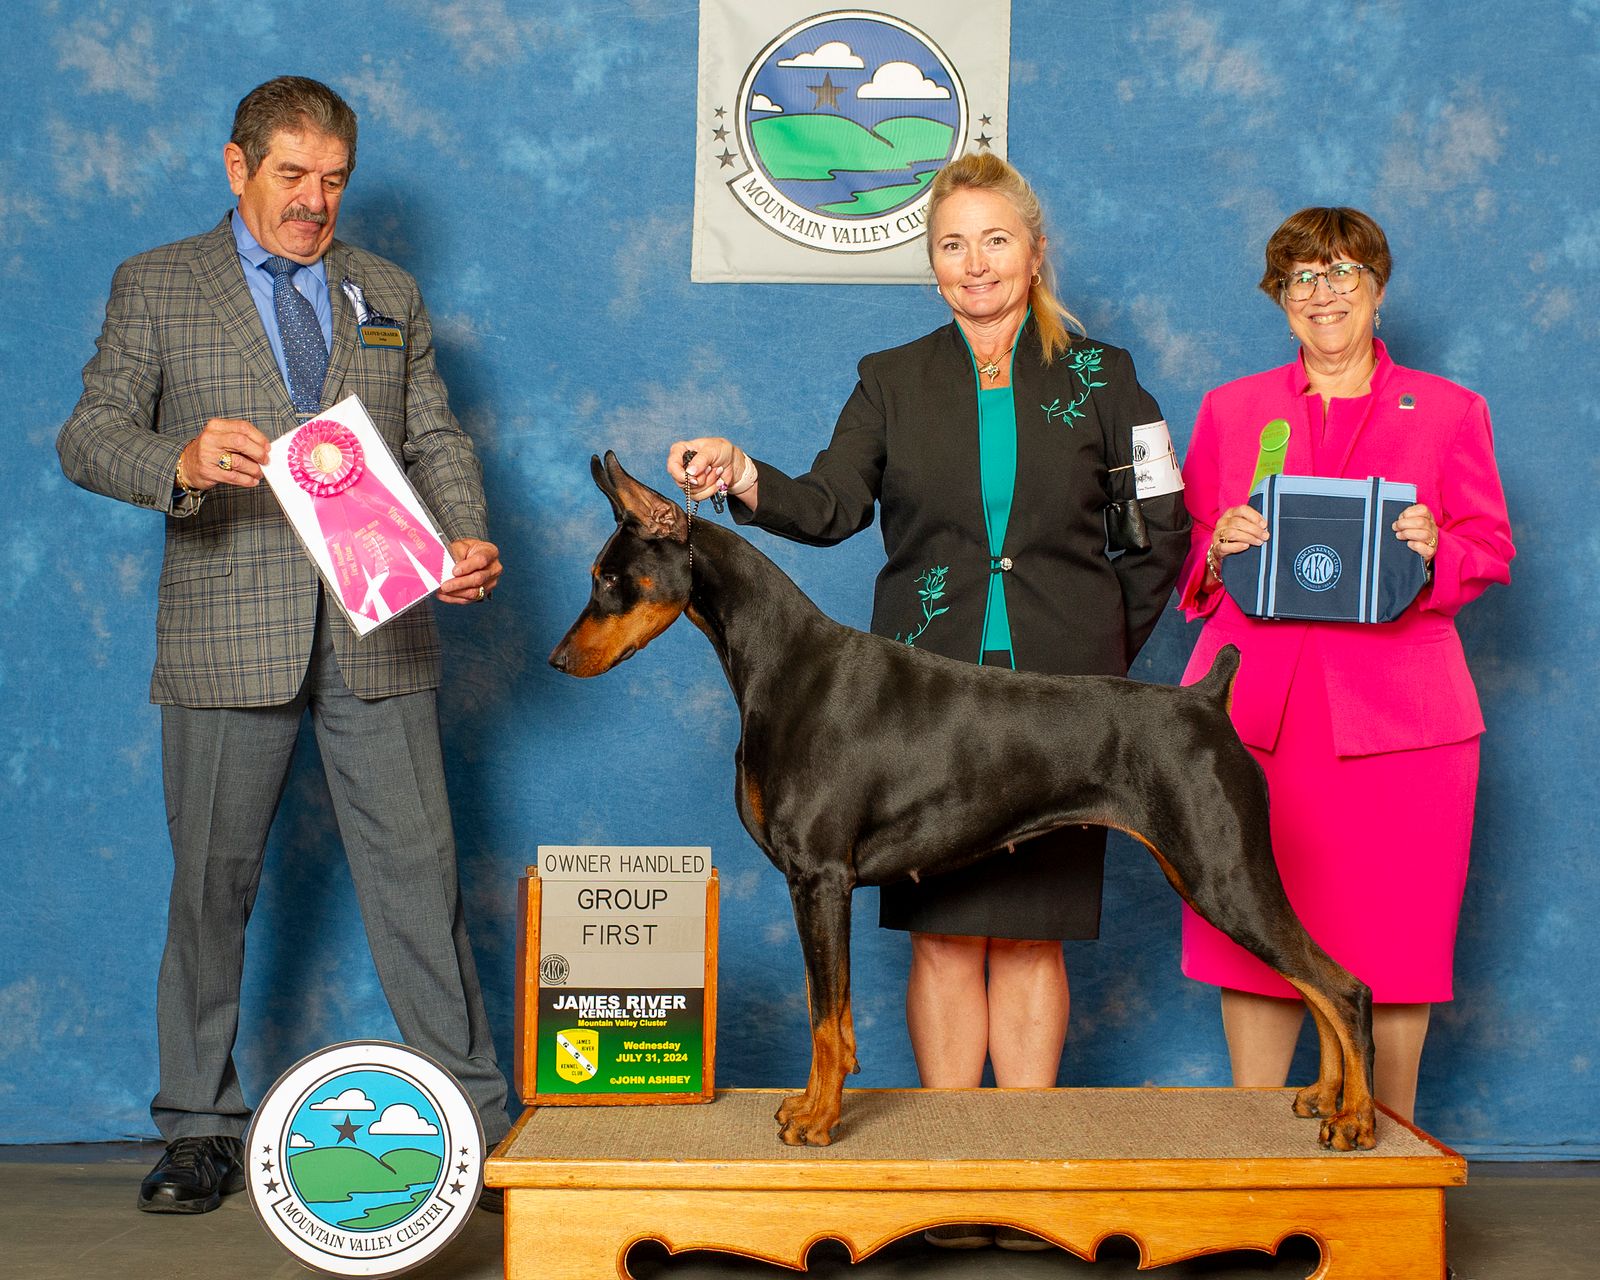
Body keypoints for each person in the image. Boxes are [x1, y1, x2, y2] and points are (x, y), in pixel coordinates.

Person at [668, 153, 1188, 1250]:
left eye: (995, 240)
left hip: (1058, 702)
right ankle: (954, 1178)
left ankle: (1024, 1170)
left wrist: (1103, 663)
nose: (974, 263)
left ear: (1034, 251)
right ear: (931, 264)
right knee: (947, 943)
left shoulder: (1107, 376)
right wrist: (743, 473)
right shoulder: (891, 378)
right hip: (923, 707)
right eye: (952, 244)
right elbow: (828, 505)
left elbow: (1162, 528)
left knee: (1032, 940)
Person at [57, 76, 510, 1214]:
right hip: (225, 631)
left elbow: (433, 435)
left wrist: (463, 533)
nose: (315, 201)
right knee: (210, 889)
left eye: (335, 180)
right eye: (293, 175)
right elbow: (89, 434)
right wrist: (176, 460)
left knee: (422, 884)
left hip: (384, 626)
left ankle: (478, 1122)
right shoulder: (157, 282)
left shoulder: (387, 288)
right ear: (238, 166)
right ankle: (199, 1125)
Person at [1177, 207, 1514, 1124]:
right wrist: (1218, 548)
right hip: (1254, 721)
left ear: (1378, 287)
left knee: (1393, 950)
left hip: (1405, 731)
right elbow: (1189, 554)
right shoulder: (1232, 409)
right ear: (1279, 297)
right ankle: (1255, 1151)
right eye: (1301, 277)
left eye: (1342, 272)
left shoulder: (1449, 412)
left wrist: (1438, 548)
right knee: (1253, 935)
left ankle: (1389, 1156)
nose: (1322, 294)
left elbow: (1490, 548)